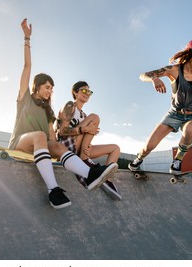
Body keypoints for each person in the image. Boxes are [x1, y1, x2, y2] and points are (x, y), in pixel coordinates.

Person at [9, 18, 118, 209]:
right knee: (40, 136)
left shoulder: (48, 112)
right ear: (37, 87)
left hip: (39, 147)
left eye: (52, 88)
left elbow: (52, 139)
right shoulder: (24, 98)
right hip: (20, 143)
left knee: (57, 146)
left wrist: (72, 144)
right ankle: (54, 190)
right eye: (47, 87)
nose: (50, 91)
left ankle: (89, 175)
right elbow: (27, 67)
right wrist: (27, 39)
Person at [129, 38, 192, 174]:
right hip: (174, 114)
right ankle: (138, 160)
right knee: (148, 146)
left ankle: (177, 161)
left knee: (189, 131)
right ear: (190, 53)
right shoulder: (174, 70)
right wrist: (154, 78)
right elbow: (143, 75)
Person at [55, 81, 122, 200]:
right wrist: (85, 129)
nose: (87, 93)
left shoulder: (84, 116)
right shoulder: (70, 106)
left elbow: (83, 137)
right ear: (75, 92)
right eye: (84, 90)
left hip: (79, 149)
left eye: (89, 91)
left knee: (115, 148)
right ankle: (85, 160)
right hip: (65, 146)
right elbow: (62, 131)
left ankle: (106, 181)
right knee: (95, 117)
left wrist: (88, 145)